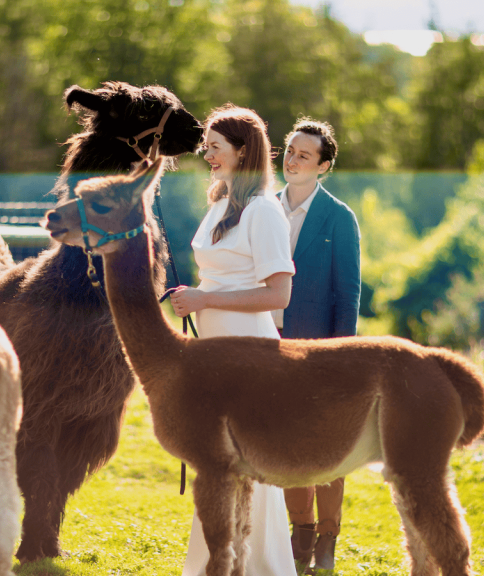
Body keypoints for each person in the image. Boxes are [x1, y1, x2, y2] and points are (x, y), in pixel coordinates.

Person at [168, 104, 297, 576]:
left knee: (246, 465)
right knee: (218, 465)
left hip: (250, 352)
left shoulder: (264, 211)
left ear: (243, 152)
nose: (207, 155)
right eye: (206, 147)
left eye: (215, 148)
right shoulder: (220, 203)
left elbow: (278, 293)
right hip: (214, 349)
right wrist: (195, 297)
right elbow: (217, 280)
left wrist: (206, 301)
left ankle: (259, 566)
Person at [272, 118, 361, 573]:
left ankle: (327, 540)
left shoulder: (339, 217)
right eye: (289, 150)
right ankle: (300, 536)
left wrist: (342, 359)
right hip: (270, 346)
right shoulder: (264, 209)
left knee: (326, 449)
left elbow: (348, 295)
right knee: (285, 446)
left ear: (323, 166)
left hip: (321, 352)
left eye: (304, 155)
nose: (292, 159)